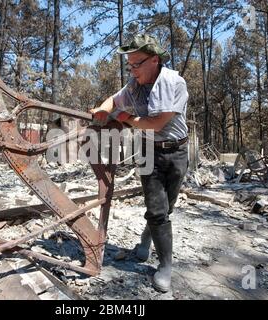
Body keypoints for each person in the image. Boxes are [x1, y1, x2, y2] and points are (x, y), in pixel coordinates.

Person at [89, 34, 189, 293]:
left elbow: (156, 123)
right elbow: (114, 99)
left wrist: (123, 117)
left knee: (166, 207)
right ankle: (166, 265)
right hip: (148, 151)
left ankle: (145, 242)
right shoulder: (134, 86)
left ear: (154, 60)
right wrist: (103, 108)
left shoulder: (174, 83)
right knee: (156, 208)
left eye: (136, 64)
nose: (132, 71)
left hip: (176, 151)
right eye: (129, 66)